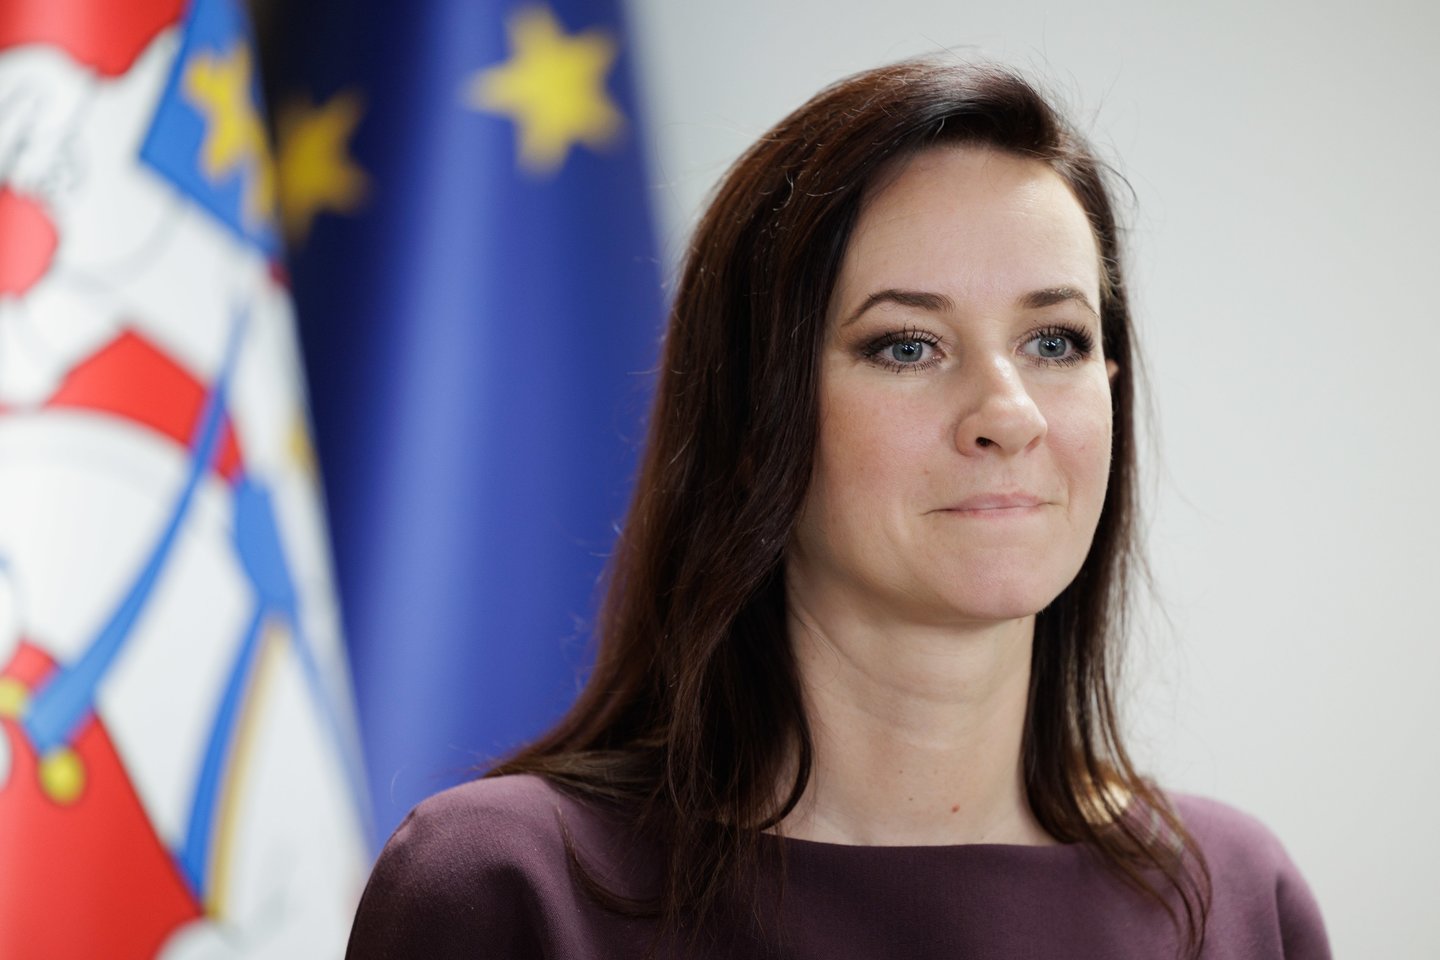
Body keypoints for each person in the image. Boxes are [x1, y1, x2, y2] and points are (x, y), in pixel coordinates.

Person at [345, 60, 1332, 959]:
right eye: (907, 346)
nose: (1009, 414)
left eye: (1055, 342)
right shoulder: (501, 890)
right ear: (753, 414)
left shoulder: (1241, 900)